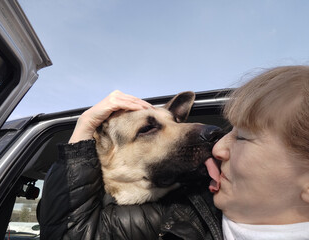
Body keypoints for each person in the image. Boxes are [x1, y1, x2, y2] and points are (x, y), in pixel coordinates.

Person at [39, 65, 309, 240]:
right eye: (149, 129)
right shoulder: (179, 214)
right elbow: (73, 234)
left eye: (244, 137)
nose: (217, 144)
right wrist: (84, 129)